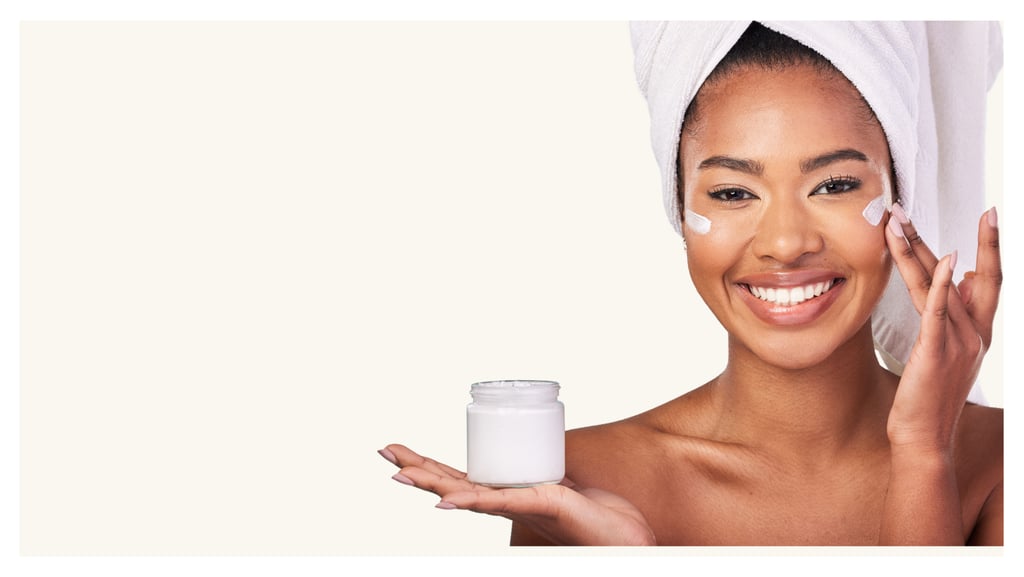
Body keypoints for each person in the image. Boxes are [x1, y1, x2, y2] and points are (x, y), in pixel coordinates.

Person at [378, 21, 1003, 546]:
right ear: (679, 210)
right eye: (732, 193)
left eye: (835, 185)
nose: (786, 243)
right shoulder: (579, 482)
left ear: (900, 200)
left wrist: (924, 452)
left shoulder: (1003, 460)